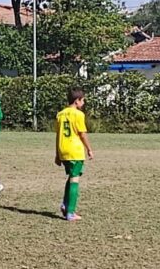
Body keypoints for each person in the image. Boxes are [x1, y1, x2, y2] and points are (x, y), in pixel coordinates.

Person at [56, 88, 94, 221]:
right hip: (75, 151)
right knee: (75, 179)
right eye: (82, 100)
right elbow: (82, 134)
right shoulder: (78, 115)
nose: (83, 103)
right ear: (77, 101)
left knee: (71, 177)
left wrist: (57, 154)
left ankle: (65, 205)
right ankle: (70, 212)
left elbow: (58, 135)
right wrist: (89, 148)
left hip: (63, 150)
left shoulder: (60, 114)